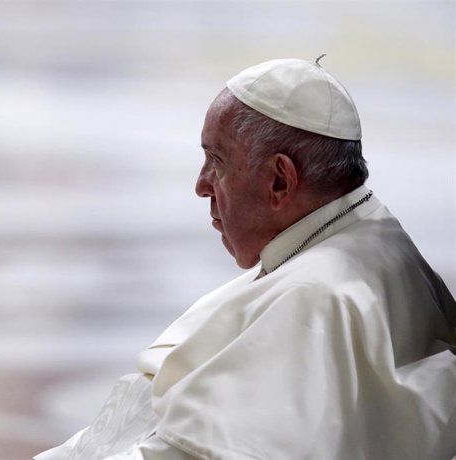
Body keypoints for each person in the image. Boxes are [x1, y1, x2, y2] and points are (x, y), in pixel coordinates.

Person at [35, 57, 456, 460]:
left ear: (279, 180)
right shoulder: (366, 234)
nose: (201, 186)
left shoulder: (314, 298)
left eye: (216, 161)